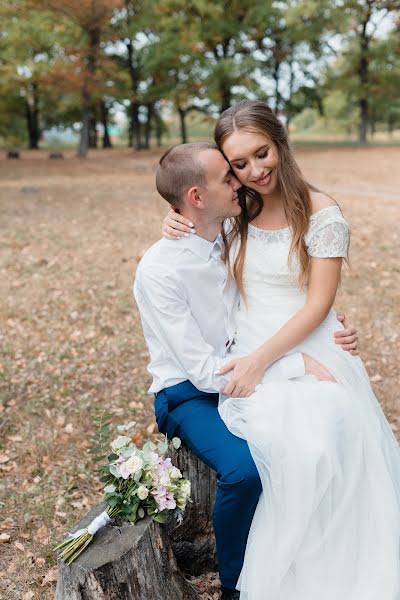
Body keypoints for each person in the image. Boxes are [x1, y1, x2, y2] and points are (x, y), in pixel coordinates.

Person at [162, 101, 400, 599]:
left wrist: (264, 361)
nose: (255, 171)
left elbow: (318, 304)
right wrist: (173, 221)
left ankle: (327, 569)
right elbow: (196, 221)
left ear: (280, 141)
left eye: (261, 153)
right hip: (246, 347)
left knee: (321, 438)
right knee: (277, 447)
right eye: (239, 165)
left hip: (305, 344)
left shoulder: (322, 211)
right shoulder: (237, 210)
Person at [134, 142, 359, 600]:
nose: (239, 183)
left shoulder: (227, 231)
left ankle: (304, 556)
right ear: (197, 197)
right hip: (189, 393)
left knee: (307, 437)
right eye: (228, 177)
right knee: (245, 470)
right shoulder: (159, 270)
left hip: (252, 364)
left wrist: (329, 333)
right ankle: (237, 584)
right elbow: (200, 371)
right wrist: (295, 364)